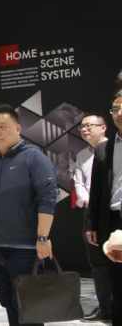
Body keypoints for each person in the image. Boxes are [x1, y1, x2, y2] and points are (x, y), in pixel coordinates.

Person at [0, 104, 57, 326]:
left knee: (28, 307)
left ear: (18, 128)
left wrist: (43, 237)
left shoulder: (34, 158)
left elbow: (47, 199)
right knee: (9, 303)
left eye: (3, 127)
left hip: (25, 250)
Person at [87, 90, 122, 326]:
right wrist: (92, 223)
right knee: (117, 283)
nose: (119, 113)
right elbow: (96, 190)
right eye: (115, 109)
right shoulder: (103, 149)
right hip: (113, 223)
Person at [74, 114, 111, 321]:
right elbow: (78, 182)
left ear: (103, 127)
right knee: (98, 263)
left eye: (89, 125)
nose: (84, 129)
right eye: (82, 126)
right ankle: (105, 308)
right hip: (91, 213)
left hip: (113, 212)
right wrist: (89, 202)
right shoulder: (82, 155)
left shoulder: (114, 149)